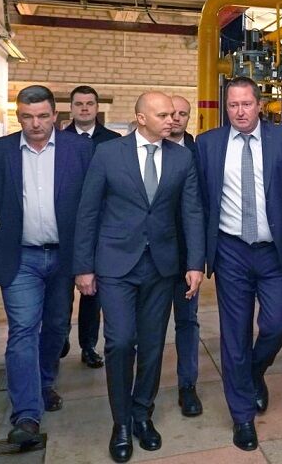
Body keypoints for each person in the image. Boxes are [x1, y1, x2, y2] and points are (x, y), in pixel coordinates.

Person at [73, 92, 205, 463]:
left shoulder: (182, 157)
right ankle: (121, 423)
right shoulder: (108, 154)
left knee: (152, 344)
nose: (172, 120)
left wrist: (195, 263)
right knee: (119, 342)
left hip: (162, 266)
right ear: (141, 118)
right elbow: (88, 211)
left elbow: (192, 212)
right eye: (162, 115)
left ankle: (142, 414)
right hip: (116, 264)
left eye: (173, 114)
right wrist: (83, 267)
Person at [195, 77, 282, 451]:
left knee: (276, 324)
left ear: (259, 105)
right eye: (233, 105)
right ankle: (242, 416)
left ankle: (253, 372)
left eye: (246, 104)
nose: (240, 112)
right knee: (234, 335)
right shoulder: (208, 144)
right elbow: (198, 201)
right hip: (230, 251)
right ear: (226, 107)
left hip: (272, 251)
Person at [0, 85, 92, 447]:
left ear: (55, 115)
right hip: (19, 256)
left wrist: (89, 259)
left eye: (42, 116)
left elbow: (91, 208)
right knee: (23, 329)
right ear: (19, 116)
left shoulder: (79, 150)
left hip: (63, 256)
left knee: (55, 326)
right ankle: (26, 414)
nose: (35, 124)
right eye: (27, 117)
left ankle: (43, 383)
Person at [61, 85, 121, 369]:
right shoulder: (59, 140)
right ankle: (59, 338)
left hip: (100, 227)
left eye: (89, 103)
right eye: (79, 104)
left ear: (97, 107)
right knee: (61, 291)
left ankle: (88, 345)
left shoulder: (114, 142)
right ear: (71, 108)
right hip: (65, 225)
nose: (84, 108)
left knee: (92, 293)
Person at [168, 95, 202, 417]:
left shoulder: (200, 153)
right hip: (149, 257)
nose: (176, 118)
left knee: (187, 322)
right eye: (172, 113)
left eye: (183, 113)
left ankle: (187, 386)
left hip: (186, 257)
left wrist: (198, 259)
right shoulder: (145, 151)